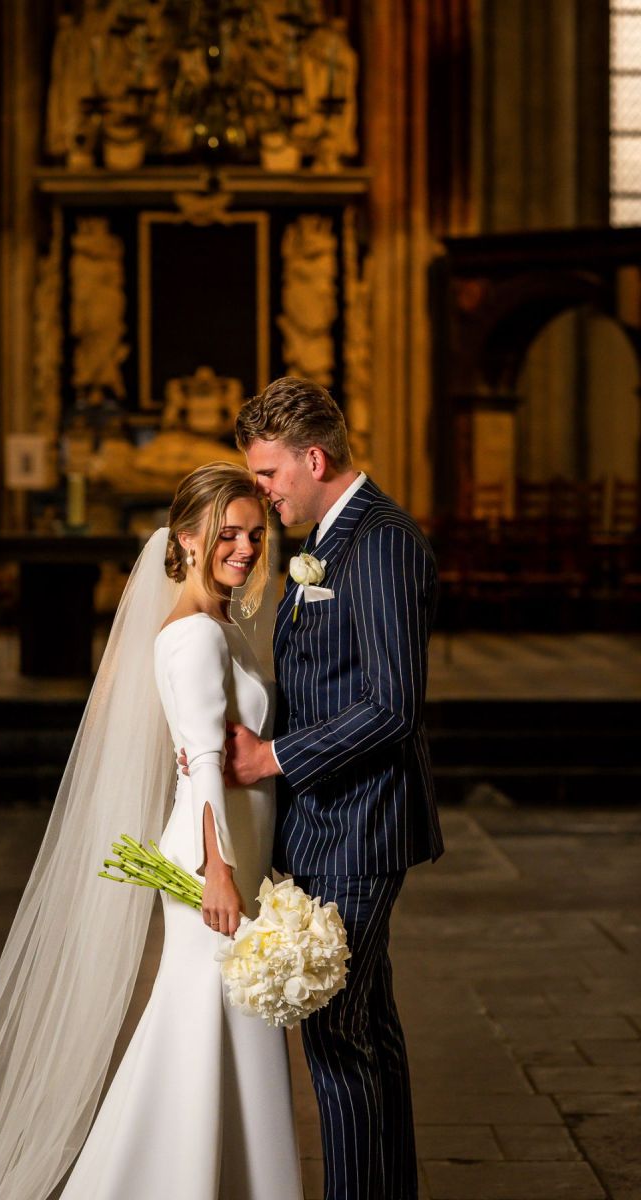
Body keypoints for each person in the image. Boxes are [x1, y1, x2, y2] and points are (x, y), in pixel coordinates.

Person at [0, 463, 303, 1200]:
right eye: (227, 535)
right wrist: (220, 870)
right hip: (212, 863)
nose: (246, 549)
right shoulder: (193, 635)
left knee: (221, 1031)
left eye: (256, 534)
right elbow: (201, 761)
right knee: (204, 1027)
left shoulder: (216, 620)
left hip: (230, 853)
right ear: (187, 539)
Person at [201, 377, 444, 1200]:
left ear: (314, 458)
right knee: (367, 1028)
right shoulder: (332, 542)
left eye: (269, 476)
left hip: (362, 823)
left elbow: (390, 704)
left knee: (338, 1037)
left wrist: (271, 760)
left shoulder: (380, 542)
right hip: (331, 822)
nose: (262, 494)